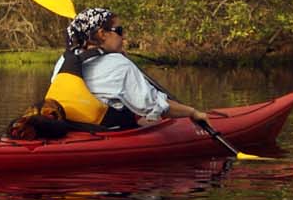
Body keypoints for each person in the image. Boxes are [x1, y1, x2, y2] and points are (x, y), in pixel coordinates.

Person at [43, 7, 211, 131]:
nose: (124, 37)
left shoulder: (65, 60)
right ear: (102, 34)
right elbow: (157, 106)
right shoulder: (119, 65)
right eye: (120, 31)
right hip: (104, 133)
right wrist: (193, 112)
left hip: (68, 128)